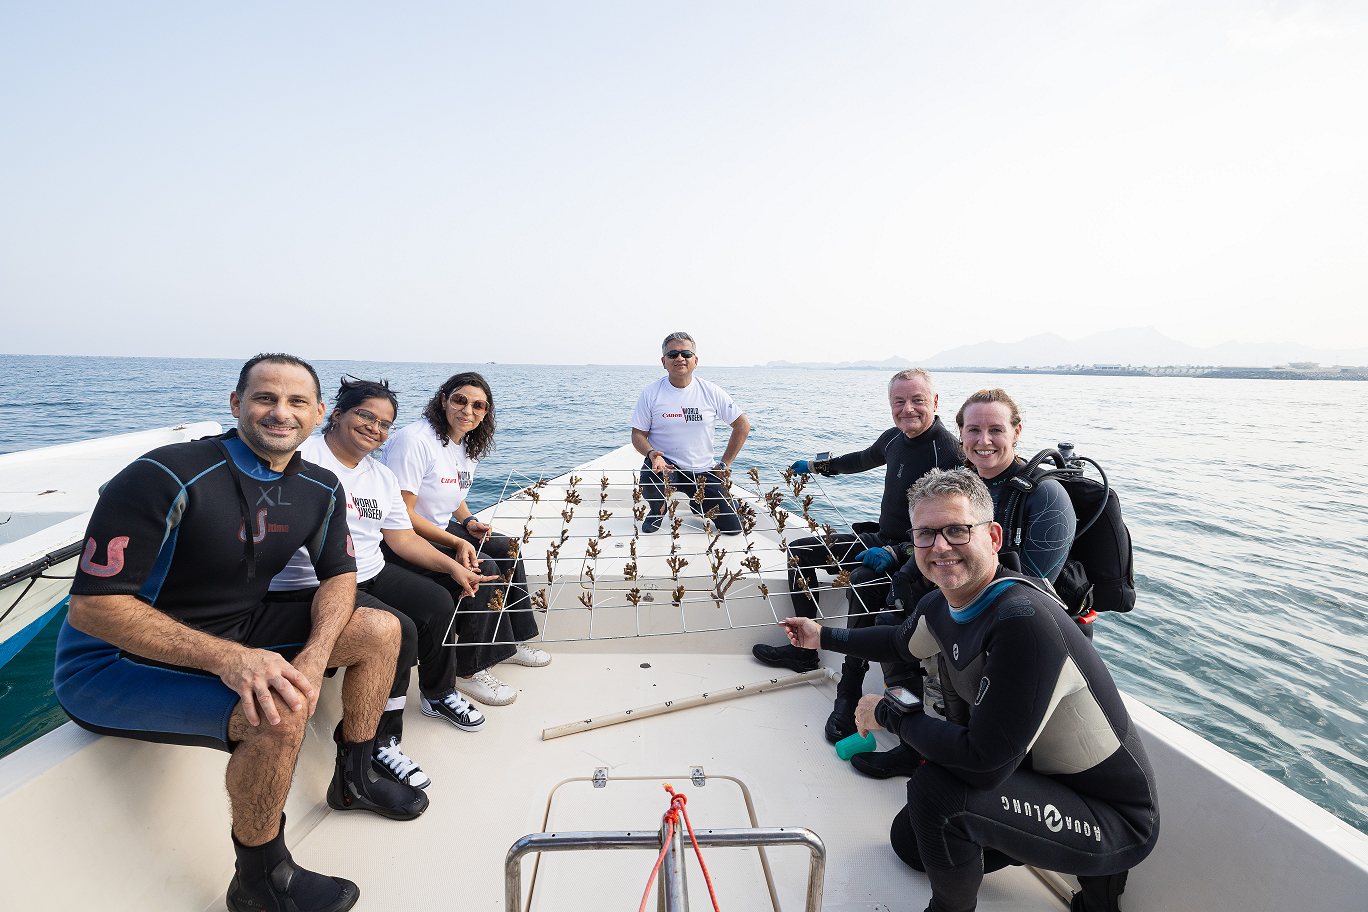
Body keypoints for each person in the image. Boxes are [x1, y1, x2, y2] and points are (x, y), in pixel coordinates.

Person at [54, 353, 427, 912]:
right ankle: (260, 880)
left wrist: (315, 653)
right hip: (114, 662)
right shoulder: (164, 474)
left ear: (318, 412)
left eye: (297, 401)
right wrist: (233, 660)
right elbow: (93, 609)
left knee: (380, 628)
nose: (281, 413)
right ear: (236, 404)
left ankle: (355, 778)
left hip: (236, 629)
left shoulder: (321, 486)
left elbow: (339, 576)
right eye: (264, 398)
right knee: (277, 711)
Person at [779, 468, 1158, 912]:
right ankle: (1011, 837)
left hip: (1111, 819)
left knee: (936, 791)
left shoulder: (1022, 621)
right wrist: (821, 636)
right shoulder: (942, 603)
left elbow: (982, 765)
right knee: (910, 845)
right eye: (925, 534)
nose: (940, 547)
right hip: (1036, 779)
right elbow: (898, 642)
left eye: (957, 530)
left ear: (993, 537)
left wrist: (886, 712)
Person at [270, 377, 498, 789]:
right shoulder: (302, 457)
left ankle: (437, 693)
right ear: (336, 414)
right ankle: (383, 738)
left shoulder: (380, 476)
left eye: (384, 423)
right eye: (366, 415)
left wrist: (452, 566)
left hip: (372, 570)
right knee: (402, 630)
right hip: (317, 582)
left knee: (438, 603)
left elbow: (402, 539)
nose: (375, 428)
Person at [752, 368, 960, 755]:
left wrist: (898, 552)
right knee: (800, 552)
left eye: (917, 400)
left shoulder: (948, 451)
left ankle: (848, 691)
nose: (908, 409)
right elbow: (861, 459)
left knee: (863, 582)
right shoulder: (894, 438)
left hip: (917, 552)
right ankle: (803, 653)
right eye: (899, 401)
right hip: (882, 537)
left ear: (935, 402)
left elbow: (953, 526)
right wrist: (817, 466)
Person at [380, 371, 548, 708]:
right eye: (460, 400)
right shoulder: (415, 441)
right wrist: (457, 543)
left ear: (485, 412)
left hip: (438, 526)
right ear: (444, 400)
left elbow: (453, 493)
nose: (467, 410)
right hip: (401, 537)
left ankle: (509, 643)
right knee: (483, 567)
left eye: (478, 405)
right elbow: (402, 513)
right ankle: (468, 670)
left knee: (507, 548)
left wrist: (468, 521)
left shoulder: (464, 444)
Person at [631, 332, 751, 535]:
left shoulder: (711, 391)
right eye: (672, 355)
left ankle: (698, 502)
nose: (680, 358)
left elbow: (742, 425)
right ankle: (657, 510)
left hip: (703, 470)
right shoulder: (651, 393)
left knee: (734, 528)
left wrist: (724, 464)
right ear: (664, 362)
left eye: (686, 354)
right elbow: (638, 434)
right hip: (667, 465)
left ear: (695, 361)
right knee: (651, 474)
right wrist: (652, 454)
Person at [956, 389, 1075, 584]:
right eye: (974, 430)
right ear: (961, 432)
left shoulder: (1046, 495)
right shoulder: (958, 485)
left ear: (1016, 432)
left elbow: (1033, 588)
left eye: (996, 430)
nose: (984, 440)